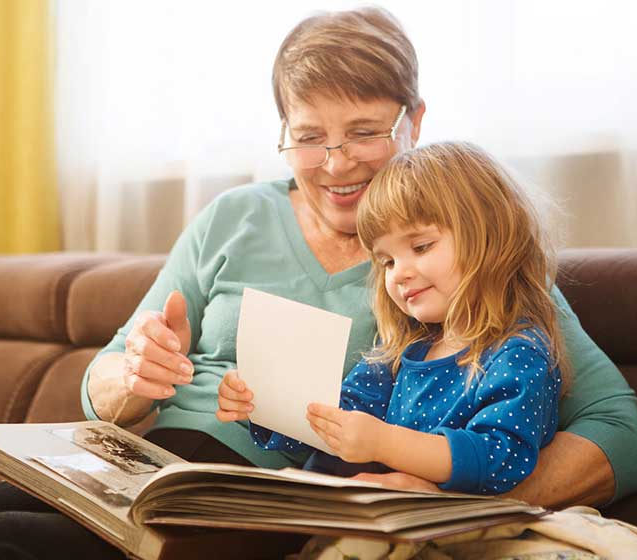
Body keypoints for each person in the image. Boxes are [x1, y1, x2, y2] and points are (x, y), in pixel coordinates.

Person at [0, 7, 637, 560]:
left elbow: (619, 431)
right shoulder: (231, 216)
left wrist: (445, 500)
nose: (336, 164)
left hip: (253, 500)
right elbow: (103, 383)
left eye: (365, 131)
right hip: (142, 457)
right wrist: (131, 376)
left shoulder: (465, 256)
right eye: (308, 136)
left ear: (415, 121)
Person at [217, 141, 569, 495]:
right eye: (387, 261)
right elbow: (338, 416)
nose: (399, 273)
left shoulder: (517, 353)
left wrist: (383, 443)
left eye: (420, 247)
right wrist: (265, 401)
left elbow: (500, 458)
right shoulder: (402, 351)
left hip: (427, 518)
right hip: (354, 506)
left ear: (489, 236)